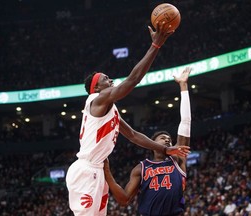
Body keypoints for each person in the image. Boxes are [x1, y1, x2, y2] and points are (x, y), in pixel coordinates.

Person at [65, 22, 190, 216]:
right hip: (86, 169)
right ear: (96, 88)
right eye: (106, 79)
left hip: (97, 169)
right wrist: (155, 46)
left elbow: (133, 135)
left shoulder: (109, 110)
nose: (111, 80)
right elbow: (132, 81)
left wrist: (165, 149)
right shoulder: (97, 100)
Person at [104, 67, 192, 216]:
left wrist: (183, 86)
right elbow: (124, 200)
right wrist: (107, 171)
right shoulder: (141, 168)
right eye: (162, 138)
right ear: (152, 145)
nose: (167, 139)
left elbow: (185, 122)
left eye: (169, 139)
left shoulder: (177, 159)